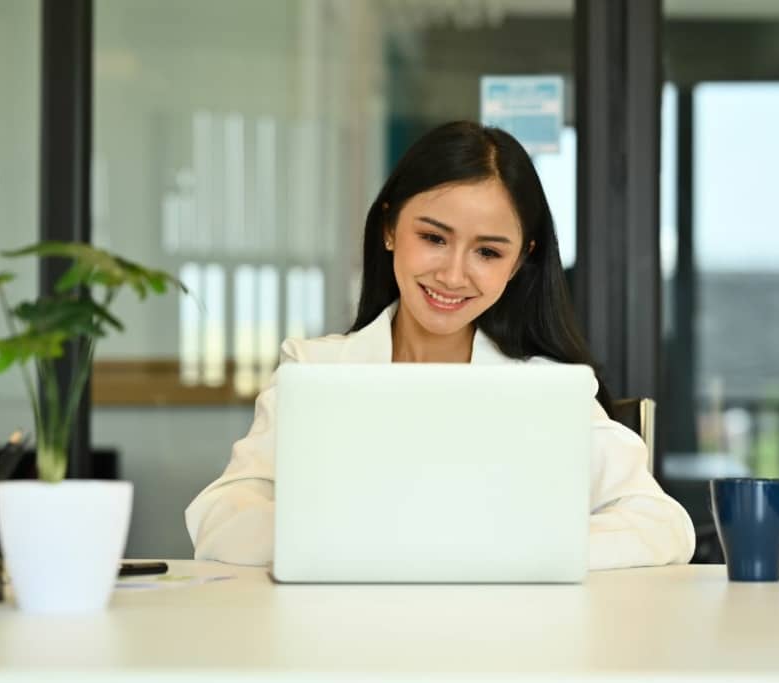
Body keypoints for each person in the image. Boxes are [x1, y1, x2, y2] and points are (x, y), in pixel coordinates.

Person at [185, 121, 695, 570]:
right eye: (433, 238)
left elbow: (662, 525)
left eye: (488, 252)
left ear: (519, 262)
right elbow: (221, 517)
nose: (453, 275)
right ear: (389, 227)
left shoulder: (548, 388)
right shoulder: (315, 369)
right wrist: (370, 543)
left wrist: (506, 548)